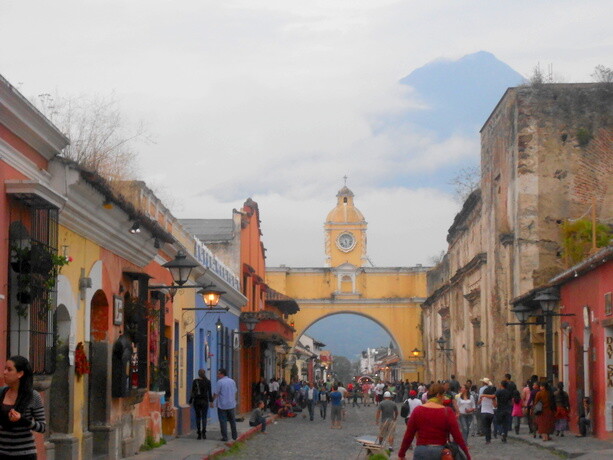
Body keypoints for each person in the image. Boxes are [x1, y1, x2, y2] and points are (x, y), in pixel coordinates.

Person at [398, 383, 471, 460]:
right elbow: (457, 436)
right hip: (440, 452)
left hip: (421, 452)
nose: (444, 398)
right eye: (443, 396)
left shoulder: (417, 411)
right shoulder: (447, 412)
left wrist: (401, 454)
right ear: (439, 395)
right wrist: (467, 455)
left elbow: (408, 435)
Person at [0, 355, 46, 459]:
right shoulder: (1, 393)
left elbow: (42, 427)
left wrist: (22, 420)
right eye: (5, 369)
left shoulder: (33, 396)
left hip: (24, 454)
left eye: (9, 369)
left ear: (20, 374)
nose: (5, 372)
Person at [213, 368, 237, 442]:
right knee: (232, 421)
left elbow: (216, 393)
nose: (217, 375)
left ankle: (225, 437)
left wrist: (211, 401)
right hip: (231, 404)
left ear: (222, 374)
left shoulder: (220, 382)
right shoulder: (232, 381)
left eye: (218, 373)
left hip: (222, 405)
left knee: (223, 421)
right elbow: (235, 391)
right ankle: (234, 436)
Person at [189, 369, 213, 439]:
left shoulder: (195, 381)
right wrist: (211, 401)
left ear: (198, 374)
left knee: (198, 417)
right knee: (204, 417)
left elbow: (192, 392)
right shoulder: (208, 382)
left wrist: (190, 401)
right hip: (205, 401)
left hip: (197, 401)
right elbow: (209, 392)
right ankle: (204, 433)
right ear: (204, 373)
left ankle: (199, 433)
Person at [478, 378, 496, 444]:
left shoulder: (483, 396)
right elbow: (495, 405)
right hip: (491, 412)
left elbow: (478, 403)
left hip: (484, 412)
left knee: (486, 427)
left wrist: (482, 396)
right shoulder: (493, 397)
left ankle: (487, 440)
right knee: (489, 426)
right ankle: (489, 439)